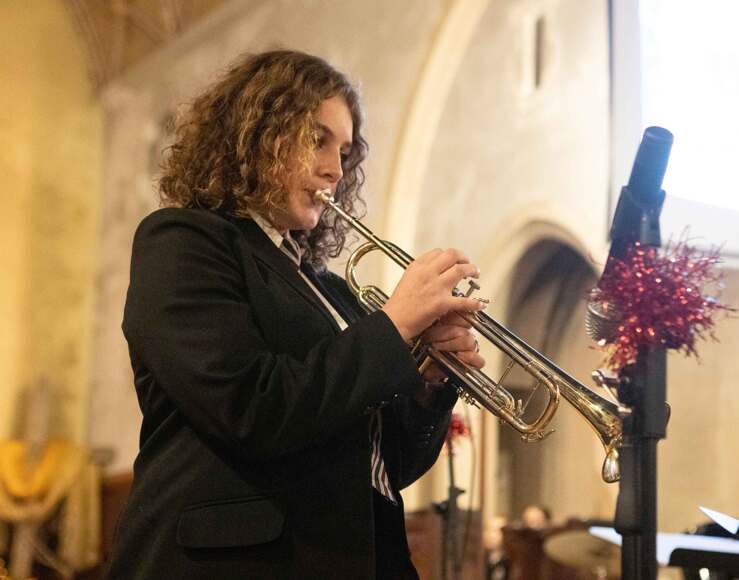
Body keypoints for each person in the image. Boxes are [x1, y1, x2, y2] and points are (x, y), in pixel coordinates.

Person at [107, 49, 486, 580]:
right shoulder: (183, 241)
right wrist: (396, 324)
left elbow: (384, 467)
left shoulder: (332, 290)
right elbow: (250, 407)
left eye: (345, 151)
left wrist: (427, 382)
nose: (335, 168)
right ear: (256, 135)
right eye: (316, 139)